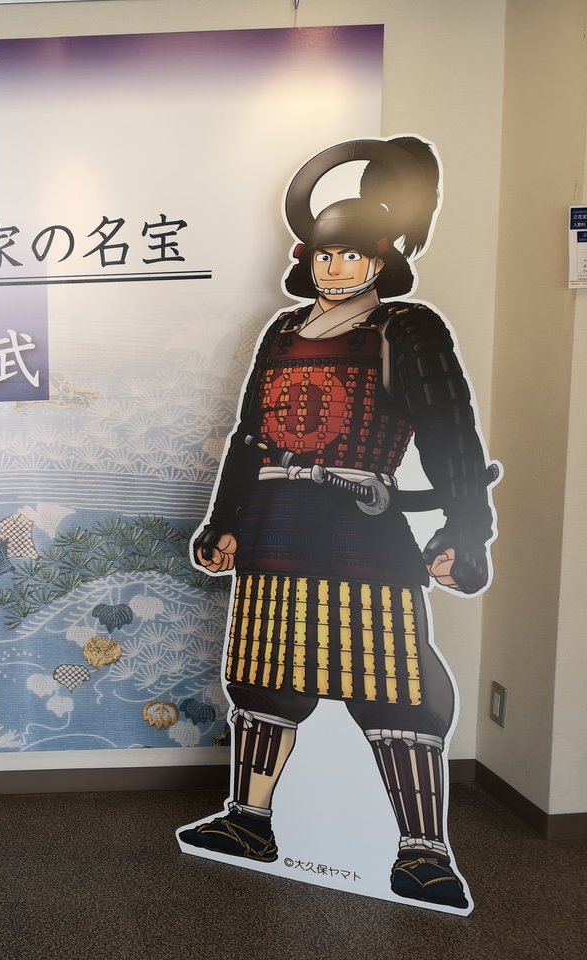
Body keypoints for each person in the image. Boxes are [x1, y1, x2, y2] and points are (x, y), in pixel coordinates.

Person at [180, 137, 496, 910]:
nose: (337, 268)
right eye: (327, 254)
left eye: (353, 255)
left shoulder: (406, 329)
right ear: (307, 257)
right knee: (262, 677)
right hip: (276, 524)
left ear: (381, 259)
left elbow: (451, 436)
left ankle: (422, 852)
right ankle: (249, 821)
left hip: (362, 527)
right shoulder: (281, 333)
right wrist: (225, 521)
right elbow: (250, 438)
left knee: (396, 685)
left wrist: (464, 530)